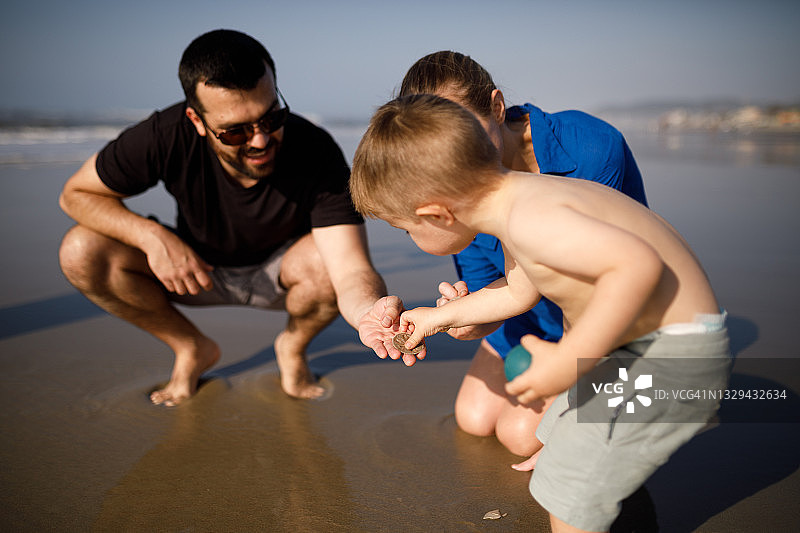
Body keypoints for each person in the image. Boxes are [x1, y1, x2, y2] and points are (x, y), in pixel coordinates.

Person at [349, 94, 730, 533]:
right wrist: (434, 319)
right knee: (558, 433)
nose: (407, 235)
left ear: (436, 214)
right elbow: (517, 292)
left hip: (673, 358)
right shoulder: (518, 201)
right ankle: (602, 479)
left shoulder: (534, 219)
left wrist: (569, 359)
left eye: (403, 228)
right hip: (641, 349)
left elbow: (636, 266)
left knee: (566, 493)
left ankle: (589, 486)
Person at [58, 29, 410, 406]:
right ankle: (190, 347)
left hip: (284, 277)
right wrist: (150, 236)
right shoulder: (163, 135)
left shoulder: (315, 149)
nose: (259, 140)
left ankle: (292, 347)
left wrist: (368, 313)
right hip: (194, 271)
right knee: (81, 250)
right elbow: (75, 195)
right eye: (235, 131)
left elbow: (350, 270)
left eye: (271, 116)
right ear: (196, 119)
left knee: (325, 263)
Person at [399, 51, 648, 467]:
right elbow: (499, 293)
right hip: (526, 311)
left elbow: (597, 288)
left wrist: (571, 406)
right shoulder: (459, 185)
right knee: (474, 419)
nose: (457, 156)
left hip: (600, 315)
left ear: (497, 106)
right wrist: (461, 319)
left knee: (518, 435)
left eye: (466, 132)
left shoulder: (591, 149)